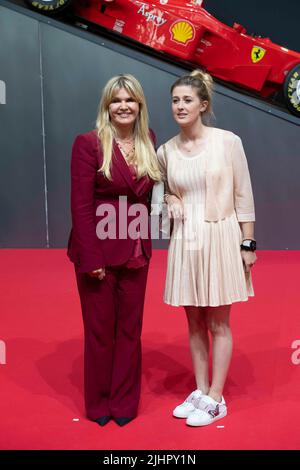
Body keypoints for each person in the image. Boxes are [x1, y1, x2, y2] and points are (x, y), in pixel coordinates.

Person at [156, 70, 257, 426]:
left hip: (221, 236)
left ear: (203, 105)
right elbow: (164, 189)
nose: (180, 106)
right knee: (194, 321)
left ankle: (217, 397)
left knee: (218, 322)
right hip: (186, 240)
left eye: (187, 100)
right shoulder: (165, 150)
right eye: (175, 100)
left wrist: (248, 242)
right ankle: (200, 391)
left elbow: (243, 193)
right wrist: (169, 198)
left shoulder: (228, 142)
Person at [67, 74, 160, 427]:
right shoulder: (88, 144)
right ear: (107, 106)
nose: (123, 106)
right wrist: (91, 258)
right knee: (100, 330)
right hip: (98, 252)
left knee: (130, 330)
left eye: (130, 100)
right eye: (116, 101)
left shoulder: (149, 140)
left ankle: (124, 403)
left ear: (139, 106)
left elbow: (150, 195)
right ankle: (99, 402)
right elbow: (80, 206)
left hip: (136, 248)